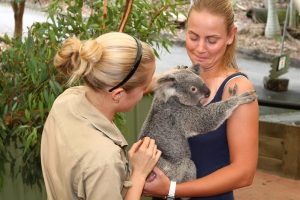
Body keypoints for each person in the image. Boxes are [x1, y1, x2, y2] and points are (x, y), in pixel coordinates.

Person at [143, 0, 259, 199]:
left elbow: (244, 173)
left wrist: (171, 190)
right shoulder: (178, 78)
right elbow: (134, 87)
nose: (200, 48)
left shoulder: (237, 88)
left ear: (231, 35)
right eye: (193, 37)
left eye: (212, 40)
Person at [40, 32, 161, 200]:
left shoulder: (66, 100)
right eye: (143, 88)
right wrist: (139, 174)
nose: (145, 92)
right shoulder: (104, 162)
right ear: (118, 94)